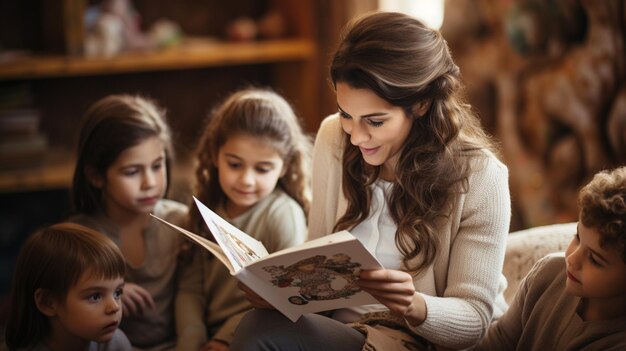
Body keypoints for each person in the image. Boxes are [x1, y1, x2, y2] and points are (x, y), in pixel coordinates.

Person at [231, 11, 511, 351]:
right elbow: (317, 251)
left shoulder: (481, 177)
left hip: (420, 339)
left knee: (261, 334)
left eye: (375, 122)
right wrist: (281, 292)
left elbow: (474, 321)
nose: (356, 137)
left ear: (421, 104)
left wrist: (413, 305)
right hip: (344, 330)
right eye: (348, 114)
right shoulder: (333, 136)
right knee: (259, 324)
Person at [176, 87, 312, 350]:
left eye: (263, 169)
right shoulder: (205, 210)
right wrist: (191, 341)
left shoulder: (283, 215)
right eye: (235, 164)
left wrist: (224, 339)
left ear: (284, 167)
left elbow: (284, 299)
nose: (247, 180)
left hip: (257, 333)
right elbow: (189, 290)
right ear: (216, 155)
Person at [69, 94, 189, 351]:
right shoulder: (79, 237)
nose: (150, 183)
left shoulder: (182, 222)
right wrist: (110, 292)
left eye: (157, 166)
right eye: (132, 172)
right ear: (96, 176)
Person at [475, 167, 626, 350]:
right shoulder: (548, 272)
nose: (571, 259)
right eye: (577, 237)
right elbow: (499, 340)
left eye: (594, 259)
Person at [4, 222, 132, 351]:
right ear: (47, 302)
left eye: (117, 293)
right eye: (95, 296)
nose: (114, 307)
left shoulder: (115, 343)